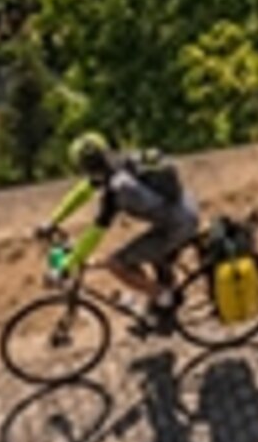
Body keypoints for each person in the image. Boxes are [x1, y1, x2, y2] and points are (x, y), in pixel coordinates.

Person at [38, 131, 203, 333]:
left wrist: (67, 265)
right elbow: (83, 191)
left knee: (117, 263)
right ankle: (157, 303)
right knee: (137, 255)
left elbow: (95, 232)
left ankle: (165, 298)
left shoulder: (119, 189)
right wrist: (53, 220)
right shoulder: (119, 162)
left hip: (177, 226)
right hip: (182, 208)